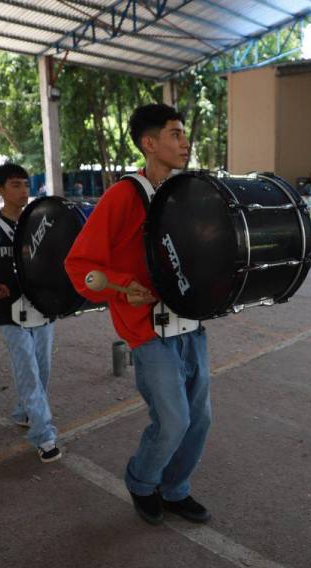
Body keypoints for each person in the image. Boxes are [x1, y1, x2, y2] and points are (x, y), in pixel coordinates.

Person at [65, 103, 212, 526]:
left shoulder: (188, 192)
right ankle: (142, 481)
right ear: (149, 143)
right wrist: (118, 285)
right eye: (174, 134)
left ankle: (175, 488)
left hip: (190, 322)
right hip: (147, 329)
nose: (184, 142)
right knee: (173, 420)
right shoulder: (122, 196)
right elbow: (79, 265)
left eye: (184, 134)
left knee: (199, 419)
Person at [0, 163, 61, 463]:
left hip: (42, 309)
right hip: (11, 313)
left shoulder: (40, 221)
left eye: (25, 184)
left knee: (41, 371)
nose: (23, 191)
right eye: (16, 185)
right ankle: (44, 436)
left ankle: (24, 411)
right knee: (29, 374)